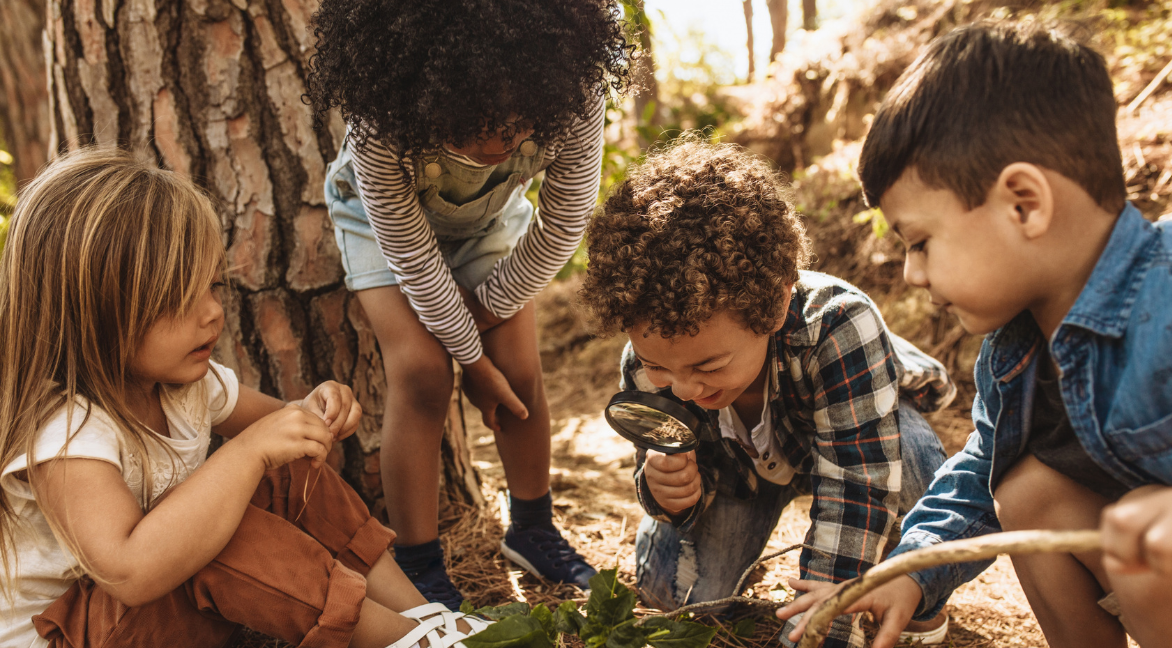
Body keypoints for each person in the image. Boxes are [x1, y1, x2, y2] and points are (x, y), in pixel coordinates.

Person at [776, 20, 1172, 648]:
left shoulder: (1165, 293)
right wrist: (909, 573)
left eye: (921, 242)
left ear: (1024, 204)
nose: (911, 273)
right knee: (1024, 492)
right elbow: (976, 480)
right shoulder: (1012, 354)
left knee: (1152, 536)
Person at [0, 148, 491, 648]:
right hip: (72, 637)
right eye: (177, 296)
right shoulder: (66, 432)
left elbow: (287, 431)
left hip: (149, 618)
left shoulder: (186, 386)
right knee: (218, 534)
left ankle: (425, 617)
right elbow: (131, 573)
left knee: (286, 468)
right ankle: (402, 641)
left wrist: (316, 409)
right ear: (90, 313)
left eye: (213, 286)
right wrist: (247, 451)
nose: (213, 312)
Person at [304, 0, 633, 608]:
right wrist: (470, 365)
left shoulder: (574, 94)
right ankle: (420, 563)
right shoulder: (382, 117)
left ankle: (533, 530)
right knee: (424, 373)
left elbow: (561, 227)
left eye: (515, 125)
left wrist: (483, 323)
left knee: (520, 370)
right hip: (381, 227)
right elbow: (413, 258)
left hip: (490, 223)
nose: (496, 143)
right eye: (471, 125)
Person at [577, 136, 957, 648]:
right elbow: (664, 466)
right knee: (676, 598)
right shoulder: (652, 365)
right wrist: (667, 492)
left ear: (775, 306)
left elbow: (857, 484)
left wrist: (825, 616)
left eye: (709, 364)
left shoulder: (839, 324)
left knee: (911, 461)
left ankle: (913, 597)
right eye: (658, 366)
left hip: (848, 441)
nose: (685, 387)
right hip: (741, 475)